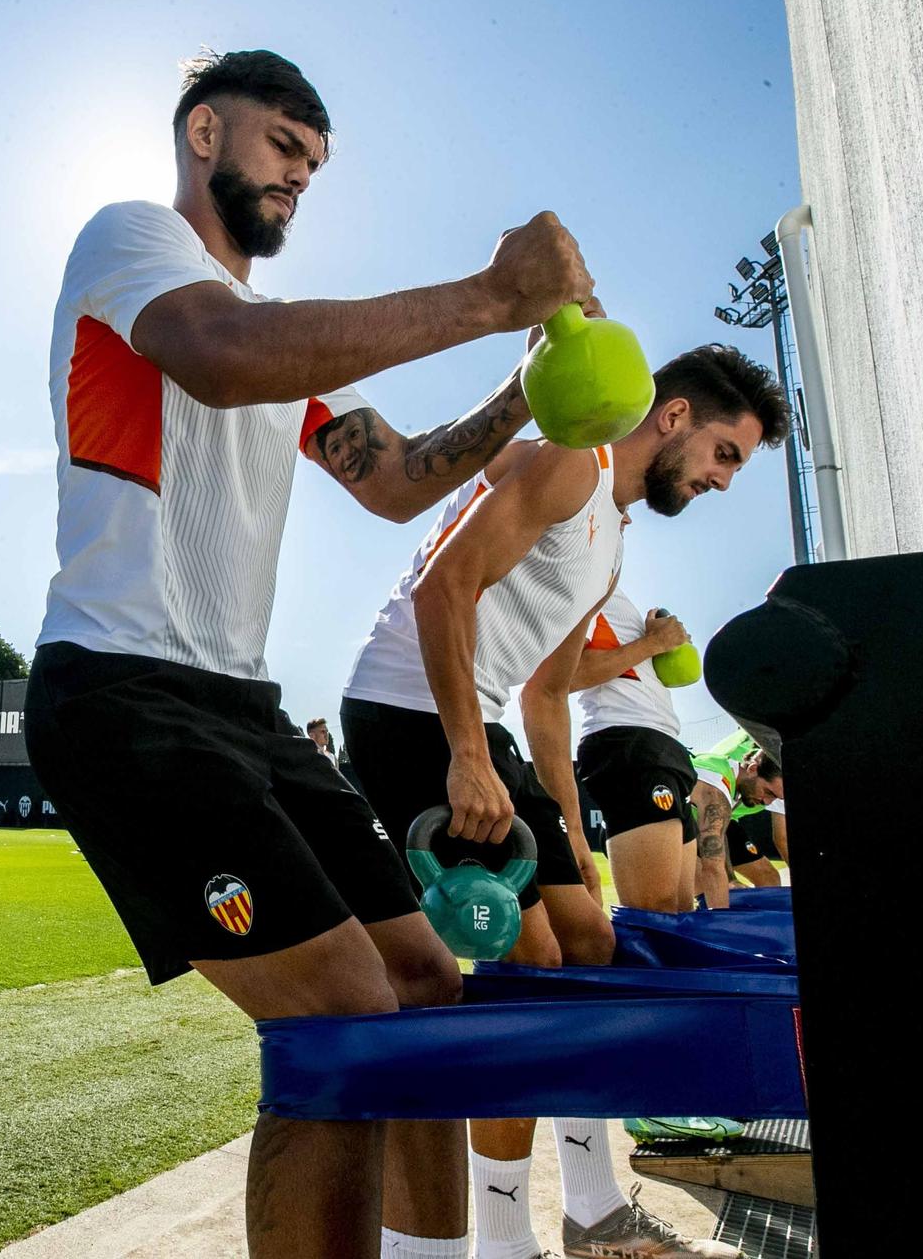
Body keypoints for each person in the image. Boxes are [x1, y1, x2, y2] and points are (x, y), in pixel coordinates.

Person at [23, 46, 599, 1256]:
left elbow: (394, 482)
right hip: (121, 694)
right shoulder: (135, 244)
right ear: (201, 135)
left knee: (426, 989)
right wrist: (491, 294)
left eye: (313, 165)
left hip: (241, 709)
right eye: (283, 147)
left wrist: (525, 383)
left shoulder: (277, 343)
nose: (297, 178)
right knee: (340, 1018)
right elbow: (221, 359)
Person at [342, 342, 786, 1259]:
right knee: (525, 966)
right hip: (408, 706)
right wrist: (466, 752)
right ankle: (505, 1239)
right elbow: (441, 588)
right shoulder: (566, 464)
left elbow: (548, 692)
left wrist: (565, 827)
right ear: (672, 417)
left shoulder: (614, 541)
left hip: (483, 720)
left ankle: (592, 1211)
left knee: (590, 941)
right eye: (724, 454)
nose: (723, 480)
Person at [572, 588, 701, 913]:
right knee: (656, 913)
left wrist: (664, 642)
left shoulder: (609, 583)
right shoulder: (581, 578)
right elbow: (567, 675)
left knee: (682, 909)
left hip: (664, 743)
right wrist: (655, 643)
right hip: (628, 742)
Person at [688, 730, 785, 908]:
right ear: (752, 769)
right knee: (696, 894)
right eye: (768, 792)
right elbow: (713, 862)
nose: (766, 802)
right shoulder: (717, 781)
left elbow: (720, 832)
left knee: (769, 877)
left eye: (775, 798)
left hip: (715, 819)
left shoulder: (743, 789)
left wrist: (731, 878)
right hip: (678, 820)